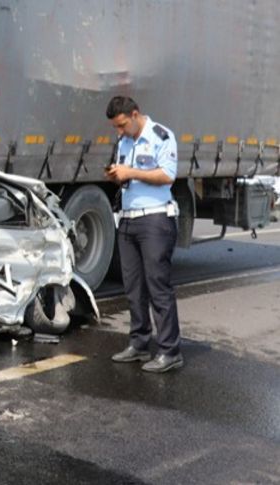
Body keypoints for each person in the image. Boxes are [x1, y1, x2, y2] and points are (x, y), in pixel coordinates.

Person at [104, 95, 183, 373]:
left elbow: (167, 175)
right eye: (116, 127)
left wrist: (131, 172)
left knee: (157, 286)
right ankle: (138, 344)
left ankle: (169, 351)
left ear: (136, 114)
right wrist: (118, 175)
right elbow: (127, 174)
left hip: (155, 220)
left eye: (122, 125)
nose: (119, 131)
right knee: (133, 287)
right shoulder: (123, 142)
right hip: (128, 220)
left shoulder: (162, 136)